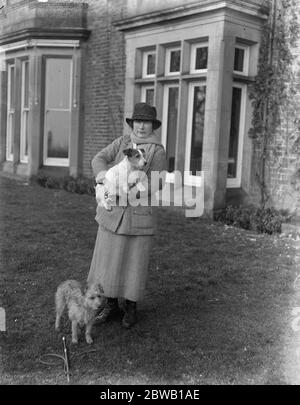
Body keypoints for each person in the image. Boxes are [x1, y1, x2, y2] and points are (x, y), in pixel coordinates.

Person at [87, 102, 167, 328]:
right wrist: (104, 178)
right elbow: (98, 159)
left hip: (138, 216)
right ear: (133, 123)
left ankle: (131, 308)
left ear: (153, 125)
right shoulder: (122, 143)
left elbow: (157, 182)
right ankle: (110, 305)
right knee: (110, 262)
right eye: (138, 122)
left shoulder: (157, 150)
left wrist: (129, 192)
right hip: (112, 214)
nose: (142, 127)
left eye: (147, 122)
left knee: (134, 262)